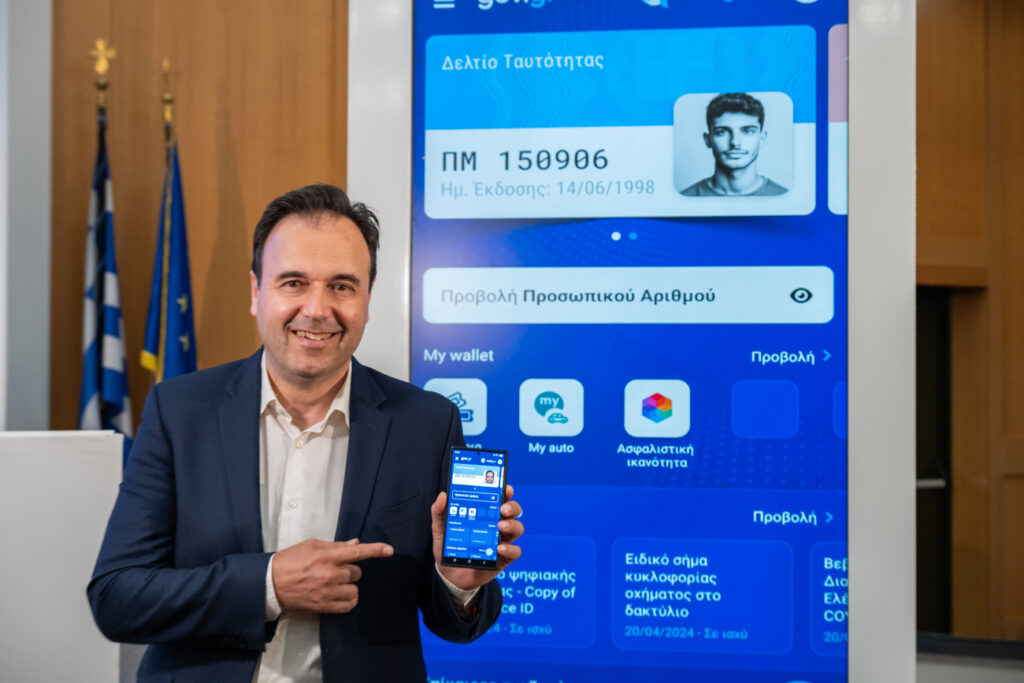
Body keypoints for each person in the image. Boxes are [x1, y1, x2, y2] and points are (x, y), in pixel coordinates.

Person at [88, 184, 524, 682]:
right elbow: (117, 597)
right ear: (257, 292)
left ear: (367, 298)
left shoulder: (427, 423)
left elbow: (457, 625)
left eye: (342, 286)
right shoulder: (179, 411)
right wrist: (268, 585)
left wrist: (458, 583)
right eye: (293, 282)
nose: (317, 309)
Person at [681, 92, 788, 197]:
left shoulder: (784, 199)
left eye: (748, 131)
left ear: (762, 138)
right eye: (721, 132)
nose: (735, 142)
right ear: (707, 140)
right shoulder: (685, 200)